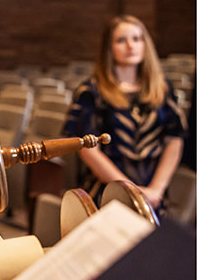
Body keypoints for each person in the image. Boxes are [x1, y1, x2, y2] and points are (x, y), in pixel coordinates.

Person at [63, 14, 187, 215]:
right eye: (122, 40)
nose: (131, 45)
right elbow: (88, 149)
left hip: (153, 195)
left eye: (137, 39)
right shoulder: (91, 92)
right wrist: (131, 192)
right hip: (106, 193)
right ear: (109, 48)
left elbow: (174, 140)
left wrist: (156, 189)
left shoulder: (163, 89)